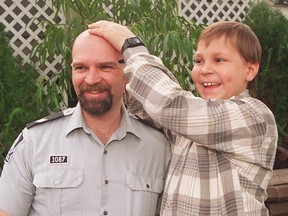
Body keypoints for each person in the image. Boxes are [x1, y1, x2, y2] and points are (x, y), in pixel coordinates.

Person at [88, 20, 278, 215]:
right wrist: (113, 69)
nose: (205, 70)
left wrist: (132, 47)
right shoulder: (189, 120)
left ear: (250, 70)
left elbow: (168, 104)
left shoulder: (253, 116)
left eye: (219, 60)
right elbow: (146, 106)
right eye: (198, 61)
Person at [0, 30, 171, 216]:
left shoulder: (158, 147)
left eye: (105, 67)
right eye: (81, 68)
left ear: (127, 74)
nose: (91, 79)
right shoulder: (34, 141)